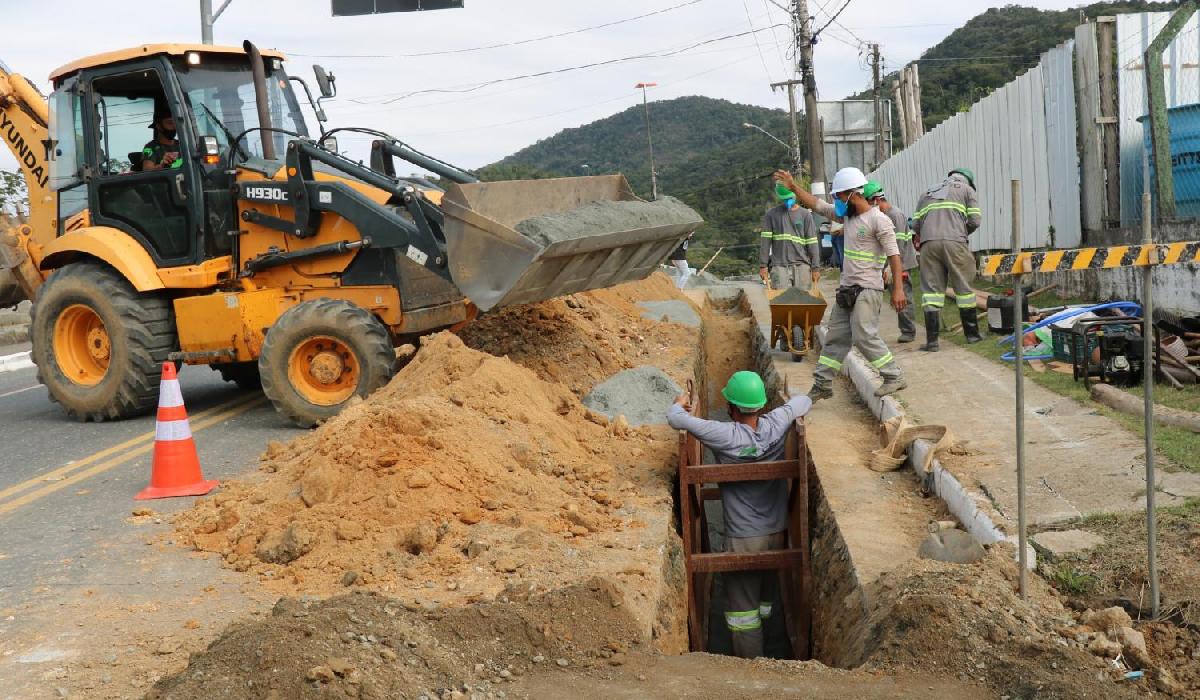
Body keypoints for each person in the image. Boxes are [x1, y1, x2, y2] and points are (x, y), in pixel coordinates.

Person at [666, 370, 812, 659]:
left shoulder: (726, 434)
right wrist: (788, 406)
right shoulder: (776, 423)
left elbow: (676, 419)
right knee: (766, 600)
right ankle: (775, 652)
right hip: (777, 535)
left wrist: (679, 401)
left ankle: (749, 667)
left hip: (742, 539)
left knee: (743, 613)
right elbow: (804, 402)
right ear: (761, 405)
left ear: (731, 408)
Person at [775, 167, 907, 401]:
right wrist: (794, 187)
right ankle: (822, 384)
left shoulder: (879, 220)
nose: (836, 201)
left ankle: (893, 375)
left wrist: (897, 289)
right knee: (836, 338)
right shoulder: (847, 216)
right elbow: (815, 204)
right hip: (847, 289)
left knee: (863, 335)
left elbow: (895, 256)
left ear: (853, 194)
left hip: (868, 289)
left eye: (839, 196)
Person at [911, 168, 983, 351]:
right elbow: (975, 220)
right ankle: (972, 335)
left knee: (931, 292)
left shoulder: (927, 192)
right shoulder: (967, 190)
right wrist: (960, 231)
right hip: (955, 242)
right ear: (967, 180)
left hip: (928, 244)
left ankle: (932, 342)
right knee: (964, 289)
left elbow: (916, 225)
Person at [863, 182, 919, 343]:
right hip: (887, 264)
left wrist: (895, 267)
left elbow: (899, 245)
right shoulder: (883, 215)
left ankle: (908, 331)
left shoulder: (895, 215)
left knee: (903, 298)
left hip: (900, 264)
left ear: (876, 199)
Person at [759, 183, 821, 294]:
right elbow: (765, 242)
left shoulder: (805, 215)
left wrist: (815, 267)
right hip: (779, 266)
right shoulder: (771, 215)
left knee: (803, 301)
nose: (788, 201)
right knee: (781, 302)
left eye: (790, 198)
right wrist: (763, 266)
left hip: (802, 265)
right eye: (785, 199)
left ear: (795, 194)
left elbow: (812, 243)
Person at [142, 102, 181, 171]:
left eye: (175, 123)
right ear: (159, 126)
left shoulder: (183, 145)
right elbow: (147, 169)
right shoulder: (150, 148)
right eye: (170, 123)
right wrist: (162, 165)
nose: (174, 127)